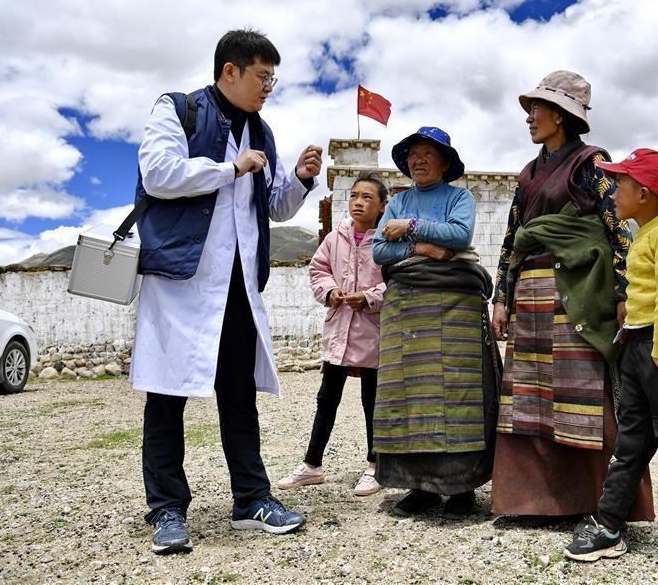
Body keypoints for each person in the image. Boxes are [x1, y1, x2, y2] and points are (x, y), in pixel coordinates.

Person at [130, 28, 323, 555]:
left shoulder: (263, 131)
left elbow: (273, 207)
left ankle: (252, 499)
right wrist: (230, 167)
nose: (269, 87)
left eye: (273, 78)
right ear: (230, 71)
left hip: (239, 283)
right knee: (166, 396)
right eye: (262, 76)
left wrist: (300, 180)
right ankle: (167, 508)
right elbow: (159, 174)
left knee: (238, 394)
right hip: (180, 281)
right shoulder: (178, 110)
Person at [490, 70, 655, 524]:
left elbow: (617, 229)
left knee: (580, 392)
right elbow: (513, 239)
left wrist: (623, 291)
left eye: (537, 109)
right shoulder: (528, 174)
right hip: (530, 295)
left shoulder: (591, 162)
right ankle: (534, 501)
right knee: (530, 396)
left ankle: (599, 501)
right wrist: (502, 298)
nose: (529, 117)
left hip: (576, 293)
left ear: (561, 115)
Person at [564, 149, 658, 582]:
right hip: (639, 345)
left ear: (645, 194)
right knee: (631, 440)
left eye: (621, 185)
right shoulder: (645, 234)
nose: (613, 192)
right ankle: (610, 525)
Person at [372, 127, 501, 520]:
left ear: (445, 162)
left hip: (455, 307)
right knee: (411, 393)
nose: (419, 159)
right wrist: (424, 246)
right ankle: (420, 486)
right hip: (407, 309)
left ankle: (462, 486)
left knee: (458, 393)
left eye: (428, 153)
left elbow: (459, 235)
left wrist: (408, 227)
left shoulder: (459, 198)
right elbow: (379, 250)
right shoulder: (398, 201)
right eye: (413, 153)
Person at [276, 171, 388, 496]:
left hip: (373, 331)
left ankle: (375, 465)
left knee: (372, 400)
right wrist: (330, 291)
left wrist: (369, 297)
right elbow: (318, 269)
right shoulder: (335, 236)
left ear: (383, 205)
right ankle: (312, 465)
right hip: (340, 329)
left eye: (367, 197)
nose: (358, 202)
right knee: (327, 398)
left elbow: (397, 281)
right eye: (354, 195)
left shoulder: (387, 241)